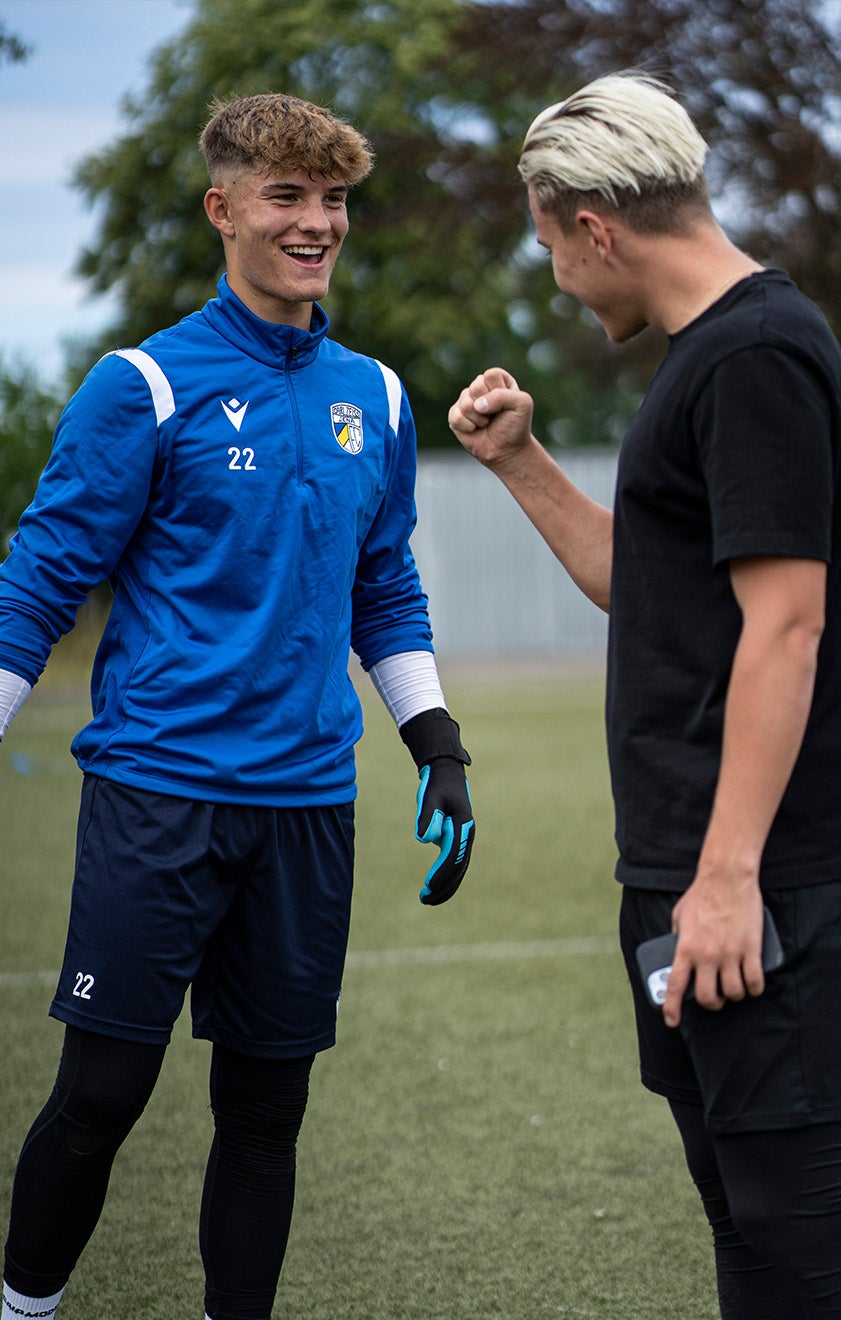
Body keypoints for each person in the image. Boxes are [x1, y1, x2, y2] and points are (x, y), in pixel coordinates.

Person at [0, 94, 475, 1320]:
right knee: (102, 1095)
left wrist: (435, 741)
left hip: (308, 808)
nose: (317, 223)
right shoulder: (143, 384)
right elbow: (39, 584)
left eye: (333, 200)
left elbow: (387, 584)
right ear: (225, 210)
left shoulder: (373, 392)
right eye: (288, 197)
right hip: (158, 795)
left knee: (268, 1114)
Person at [444, 72, 841, 1317]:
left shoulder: (760, 355)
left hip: (756, 885)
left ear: (595, 226)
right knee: (741, 1224)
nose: (557, 276)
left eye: (550, 247)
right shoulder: (705, 359)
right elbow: (654, 585)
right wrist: (518, 463)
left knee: (789, 1253)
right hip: (682, 873)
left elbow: (787, 629)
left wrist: (727, 876)